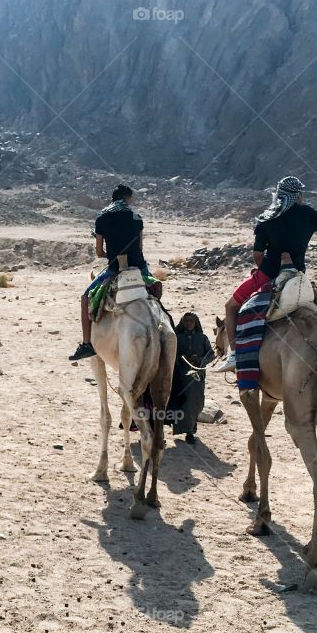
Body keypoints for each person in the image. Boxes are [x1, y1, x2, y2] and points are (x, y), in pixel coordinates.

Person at [215, 177, 317, 371]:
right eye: (300, 194)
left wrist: (266, 271)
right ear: (297, 196)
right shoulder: (307, 214)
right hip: (297, 275)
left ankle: (235, 355)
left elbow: (257, 254)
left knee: (231, 307)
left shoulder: (267, 217)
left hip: (268, 274)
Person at [69, 183, 150, 361]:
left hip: (115, 269)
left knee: (85, 298)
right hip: (138, 267)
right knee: (155, 290)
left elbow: (99, 252)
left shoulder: (102, 218)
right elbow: (139, 248)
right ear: (128, 199)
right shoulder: (137, 218)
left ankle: (86, 344)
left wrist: (112, 255)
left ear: (112, 199)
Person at [167, 312, 215, 441]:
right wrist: (181, 359)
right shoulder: (177, 338)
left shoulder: (202, 338)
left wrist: (200, 360)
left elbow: (211, 355)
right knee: (181, 403)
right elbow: (170, 354)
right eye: (186, 321)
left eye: (191, 321)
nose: (188, 323)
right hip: (180, 377)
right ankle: (187, 432)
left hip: (197, 378)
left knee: (195, 403)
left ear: (195, 323)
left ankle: (191, 429)